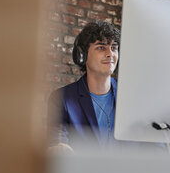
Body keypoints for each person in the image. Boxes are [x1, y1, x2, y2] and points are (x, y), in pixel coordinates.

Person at [48, 21, 120, 149]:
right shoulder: (62, 98)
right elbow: (58, 144)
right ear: (82, 55)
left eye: (114, 47)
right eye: (101, 47)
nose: (110, 54)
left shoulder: (131, 96)